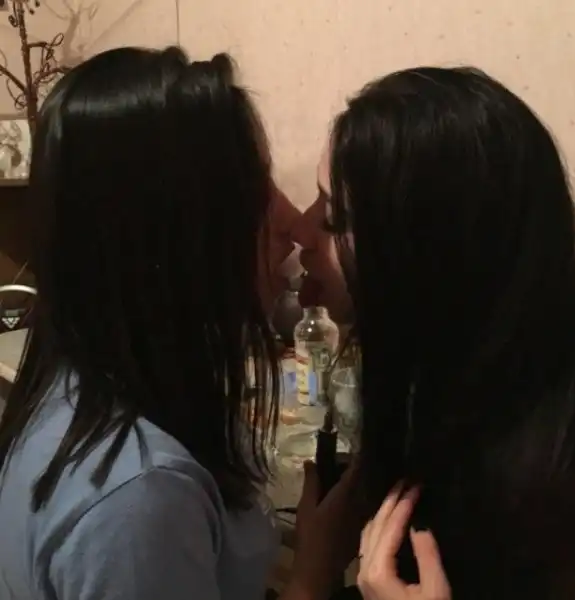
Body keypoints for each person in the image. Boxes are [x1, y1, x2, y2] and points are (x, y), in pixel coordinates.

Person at [0, 46, 359, 600]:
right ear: (173, 233)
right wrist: (312, 572)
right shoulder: (139, 500)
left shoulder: (85, 380)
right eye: (254, 189)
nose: (294, 223)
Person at [306, 66, 575, 599]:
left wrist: (306, 582)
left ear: (421, 248)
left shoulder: (558, 486)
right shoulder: (448, 385)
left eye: (333, 219)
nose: (305, 237)